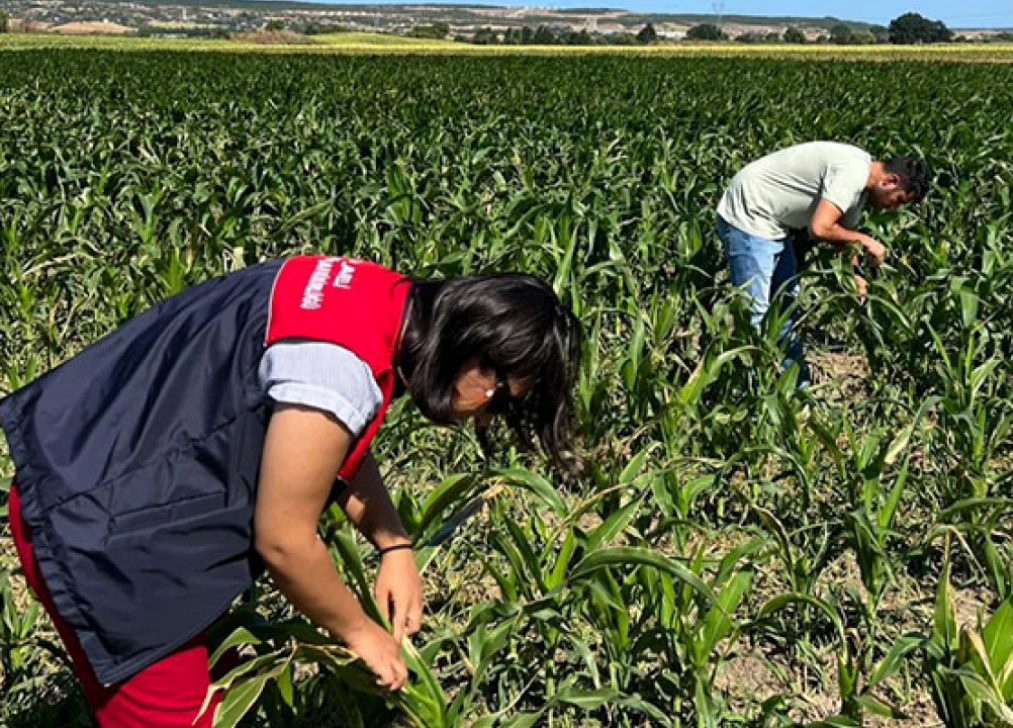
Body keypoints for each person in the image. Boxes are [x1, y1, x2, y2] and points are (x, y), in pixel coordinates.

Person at [0, 255, 582, 727]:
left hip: (93, 468)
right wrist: (361, 633)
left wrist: (394, 543)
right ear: (475, 351)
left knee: (226, 687)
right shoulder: (339, 370)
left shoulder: (369, 294)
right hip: (104, 542)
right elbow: (283, 540)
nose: (485, 415)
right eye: (498, 396)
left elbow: (327, 441)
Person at [716, 141, 929, 385]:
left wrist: (856, 277)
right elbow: (820, 228)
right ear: (890, 181)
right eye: (898, 200)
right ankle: (751, 391)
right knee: (755, 312)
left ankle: (795, 387)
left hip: (775, 222)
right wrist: (866, 240)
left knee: (786, 308)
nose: (893, 208)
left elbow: (843, 239)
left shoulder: (861, 190)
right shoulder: (852, 173)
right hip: (752, 211)